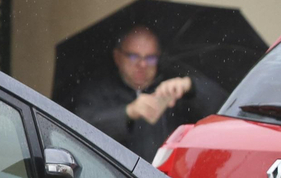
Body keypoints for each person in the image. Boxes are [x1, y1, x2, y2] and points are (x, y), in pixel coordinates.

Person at [73, 25, 225, 159]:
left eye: (150, 58)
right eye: (134, 56)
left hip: (165, 176)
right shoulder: (99, 90)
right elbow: (81, 130)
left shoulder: (171, 88)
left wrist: (191, 87)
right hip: (117, 177)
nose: (142, 64)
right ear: (117, 57)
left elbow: (223, 109)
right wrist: (128, 113)